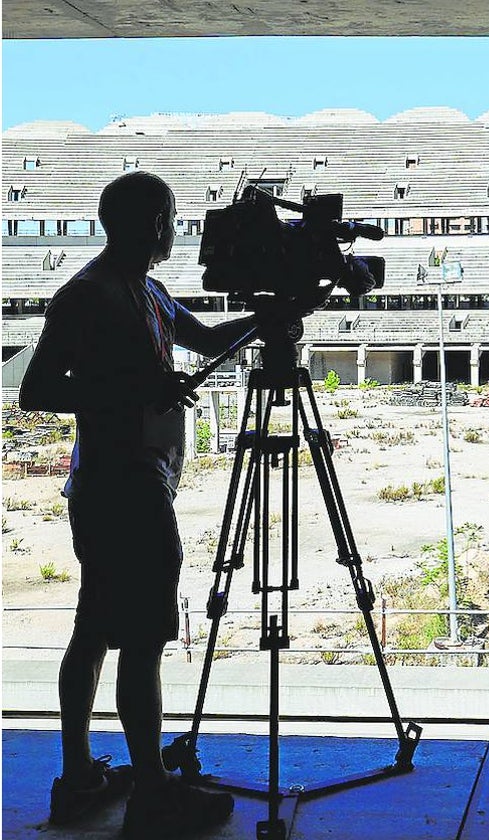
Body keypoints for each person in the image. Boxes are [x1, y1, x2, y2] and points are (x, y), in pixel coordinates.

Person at [19, 171, 256, 837]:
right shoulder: (87, 296)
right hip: (123, 491)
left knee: (94, 631)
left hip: (120, 485)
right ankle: (152, 791)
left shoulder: (147, 292)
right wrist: (129, 391)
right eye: (173, 218)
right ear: (154, 224)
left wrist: (267, 317)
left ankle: (78, 778)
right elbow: (34, 391)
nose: (178, 230)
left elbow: (208, 343)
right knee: (144, 641)